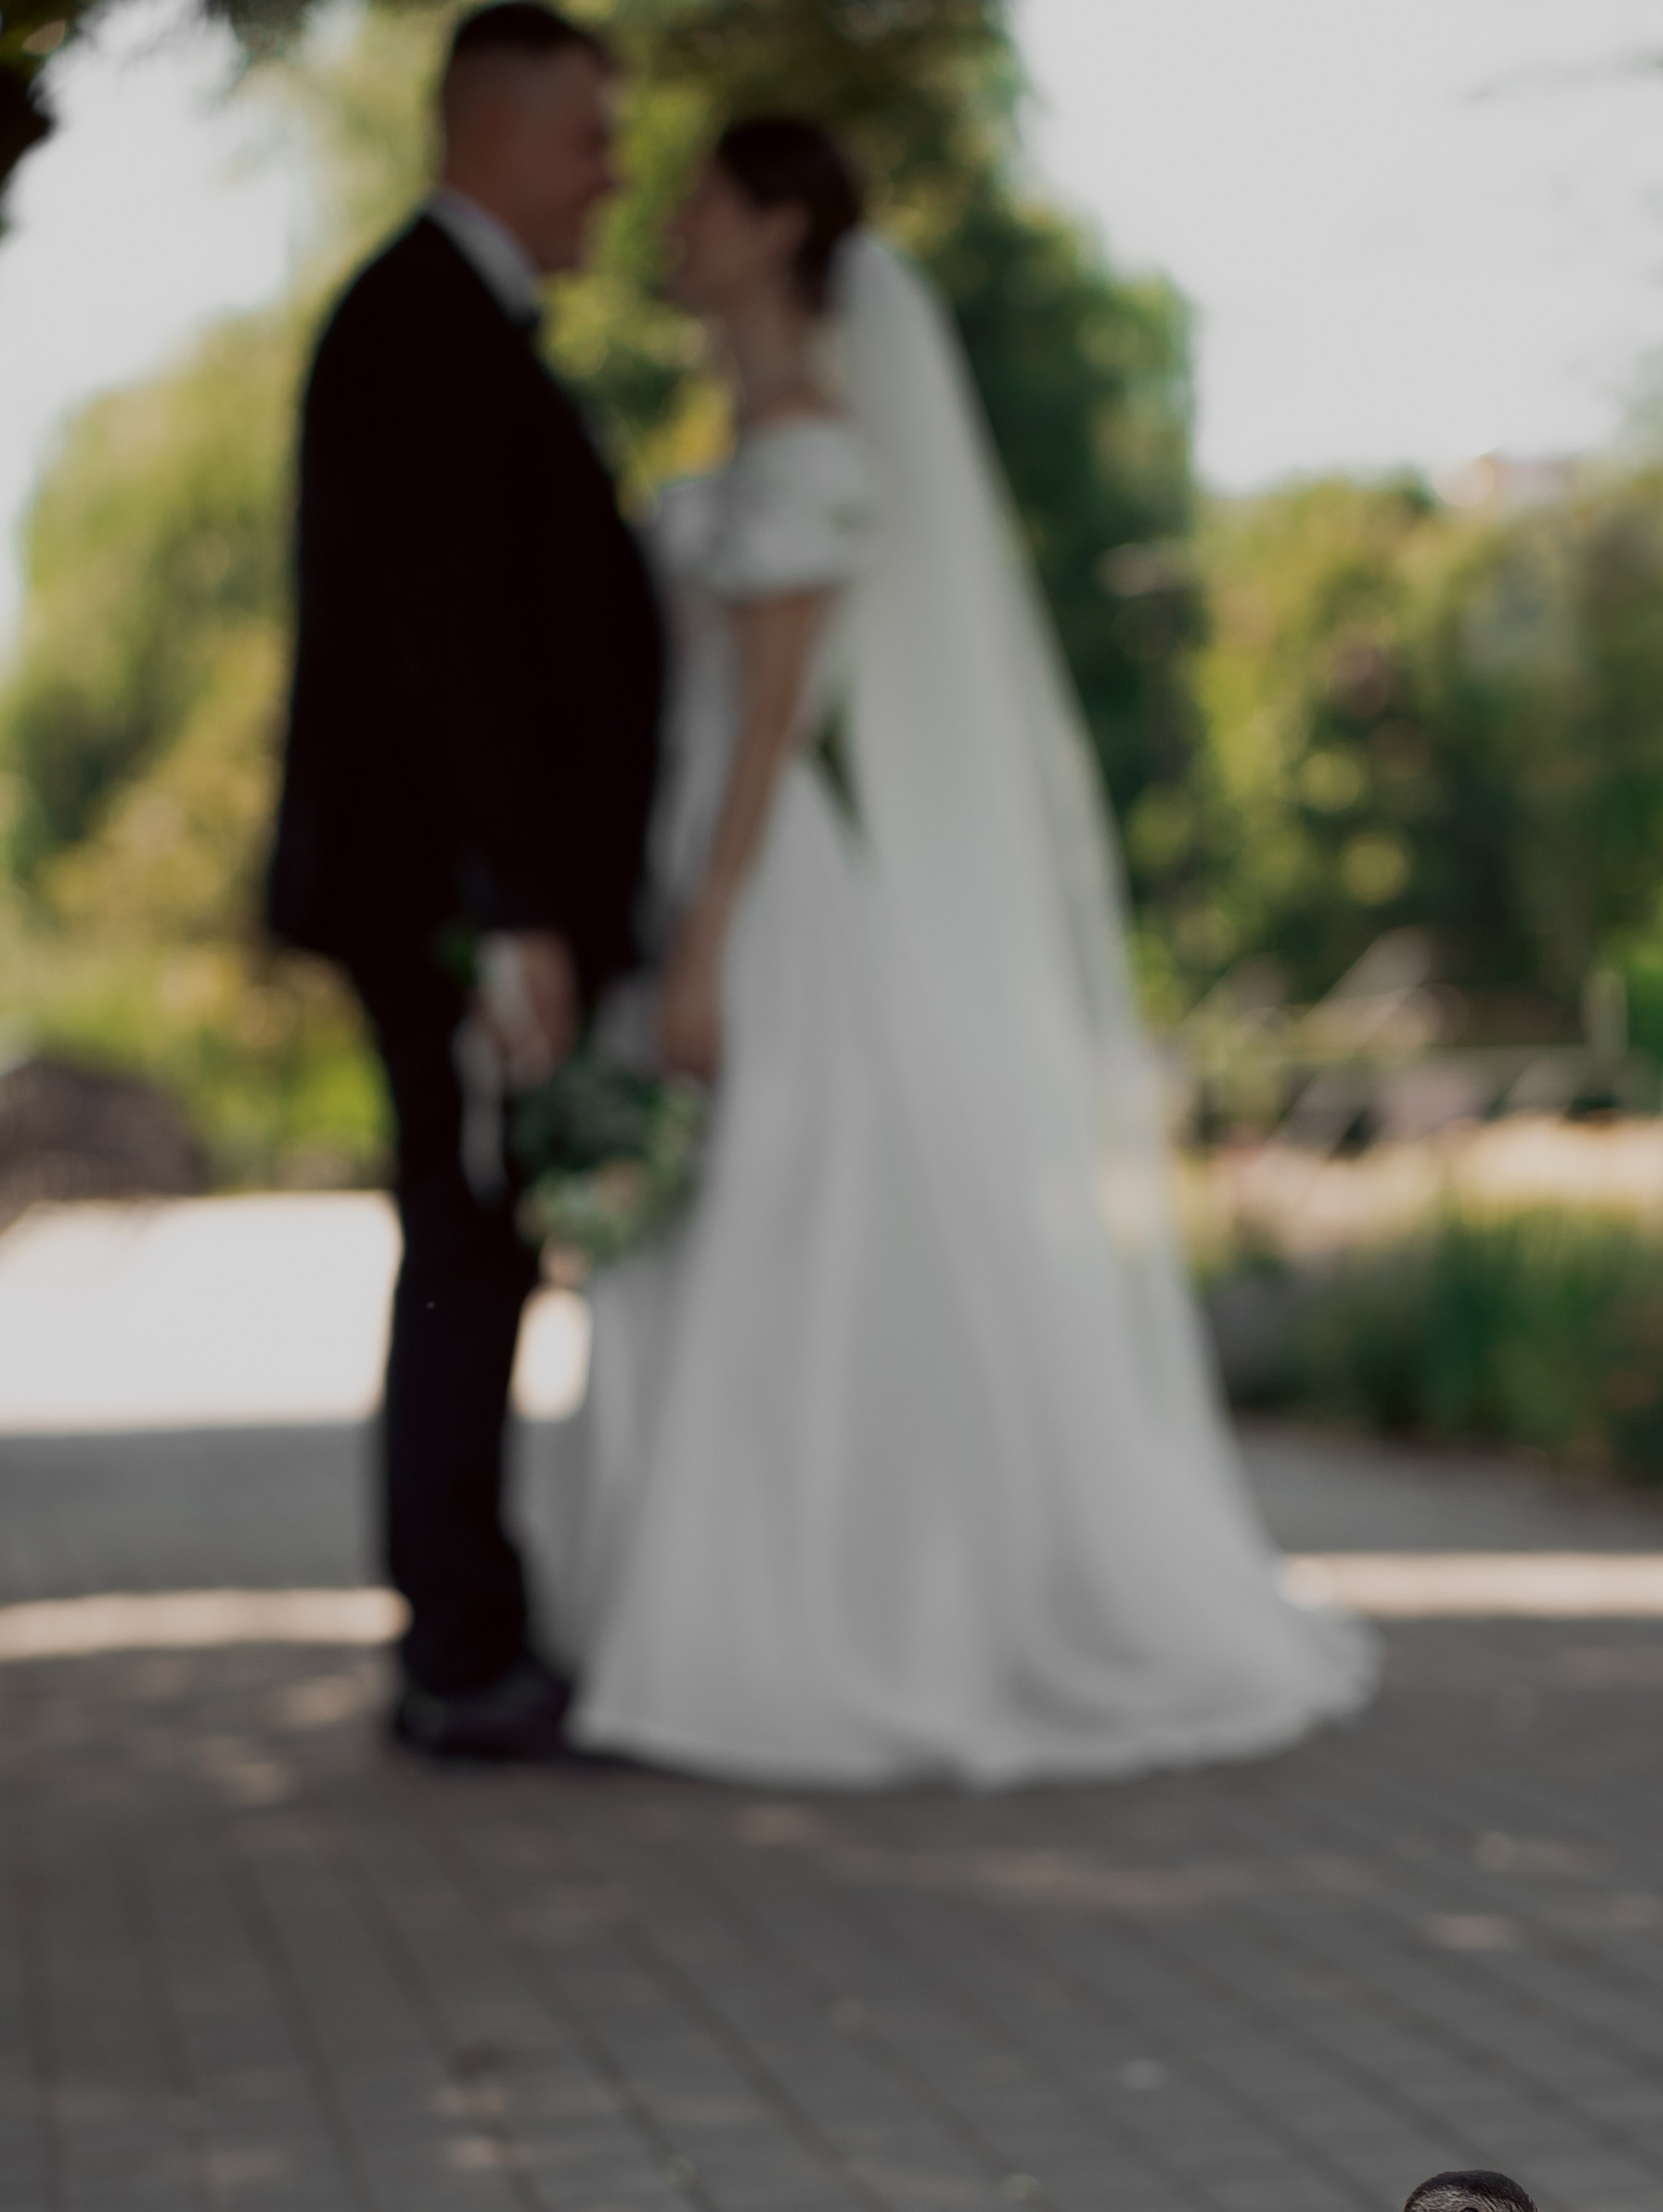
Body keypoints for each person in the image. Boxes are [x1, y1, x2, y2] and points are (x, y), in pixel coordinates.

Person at [537, 118, 1374, 1787]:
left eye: (700, 199)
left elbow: (770, 722)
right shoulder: (743, 437)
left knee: (785, 1235)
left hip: (758, 887)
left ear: (779, 230)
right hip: (693, 871)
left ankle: (817, 1625)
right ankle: (720, 1612)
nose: (666, 220)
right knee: (731, 1252)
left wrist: (701, 939)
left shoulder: (812, 455)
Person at [268, 3, 661, 1761]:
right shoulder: (416, 329)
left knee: (477, 1239)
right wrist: (510, 905)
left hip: (462, 890)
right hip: (444, 896)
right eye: (591, 138)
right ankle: (455, 1643)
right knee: (462, 1237)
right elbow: (450, 657)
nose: (612, 178)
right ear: (500, 132)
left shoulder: (447, 325)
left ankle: (468, 1620)